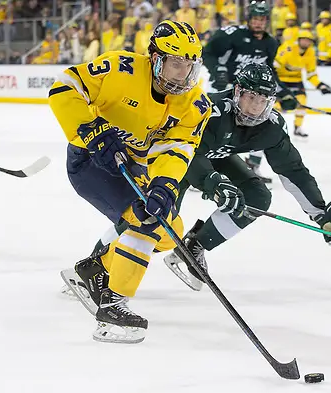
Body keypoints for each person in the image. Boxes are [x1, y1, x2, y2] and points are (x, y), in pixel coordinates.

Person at [48, 21, 211, 344]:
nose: (183, 74)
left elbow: (177, 148)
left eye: (189, 66)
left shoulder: (195, 104)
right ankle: (111, 305)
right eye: (176, 63)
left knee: (170, 231)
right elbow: (64, 86)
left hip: (136, 168)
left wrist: (164, 185)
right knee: (148, 223)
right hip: (90, 162)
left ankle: (94, 270)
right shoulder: (119, 68)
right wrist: (91, 129)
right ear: (155, 59)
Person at [160, 63, 331, 291]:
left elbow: (293, 171)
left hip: (215, 156)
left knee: (257, 197)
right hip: (176, 158)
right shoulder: (210, 110)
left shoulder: (271, 127)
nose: (255, 107)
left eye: (262, 100)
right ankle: (108, 262)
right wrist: (212, 181)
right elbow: (184, 149)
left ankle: (195, 245)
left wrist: (322, 215)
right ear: (237, 93)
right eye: (250, 97)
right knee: (155, 225)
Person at [202, 0, 296, 183]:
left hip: (251, 95)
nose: (258, 22)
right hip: (225, 89)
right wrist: (217, 71)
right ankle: (203, 169)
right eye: (255, 18)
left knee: (261, 123)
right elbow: (208, 52)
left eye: (262, 19)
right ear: (248, 19)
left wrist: (283, 92)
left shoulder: (270, 43)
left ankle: (251, 167)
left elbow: (269, 72)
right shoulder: (231, 35)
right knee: (212, 128)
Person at [274, 30, 331, 138]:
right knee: (277, 106)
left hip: (297, 81)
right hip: (281, 81)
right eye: (304, 39)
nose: (306, 42)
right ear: (299, 40)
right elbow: (274, 67)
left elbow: (311, 74)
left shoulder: (310, 52)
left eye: (308, 40)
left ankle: (298, 127)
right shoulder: (288, 48)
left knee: (302, 102)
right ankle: (273, 128)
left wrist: (320, 85)